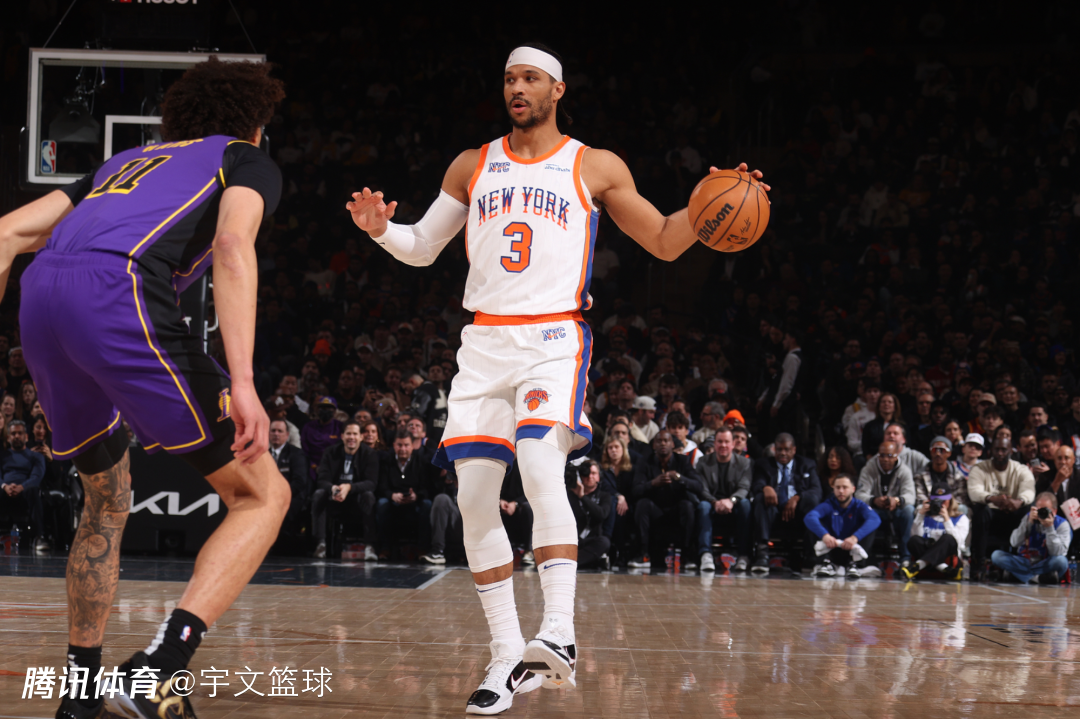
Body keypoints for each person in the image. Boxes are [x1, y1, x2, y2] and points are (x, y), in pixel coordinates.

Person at [347, 41, 766, 713]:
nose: (517, 88)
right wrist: (381, 230)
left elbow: (663, 238)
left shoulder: (593, 164)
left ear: (557, 90)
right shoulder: (472, 163)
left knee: (541, 465)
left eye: (531, 78)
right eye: (510, 78)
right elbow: (422, 247)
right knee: (475, 500)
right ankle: (507, 655)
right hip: (484, 342)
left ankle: (560, 633)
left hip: (552, 338)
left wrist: (712, 206)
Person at [0, 57, 290, 719]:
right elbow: (233, 245)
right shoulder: (245, 158)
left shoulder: (121, 164)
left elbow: (8, 233)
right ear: (255, 122)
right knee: (263, 495)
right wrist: (244, 381)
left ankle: (80, 697)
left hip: (41, 297)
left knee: (106, 498)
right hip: (117, 292)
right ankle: (158, 668)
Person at [627, 430, 703, 568]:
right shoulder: (645, 462)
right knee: (642, 504)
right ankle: (643, 555)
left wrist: (679, 477)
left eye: (666, 441)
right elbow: (635, 490)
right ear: (653, 445)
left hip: (676, 510)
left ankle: (687, 557)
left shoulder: (683, 461)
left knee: (687, 506)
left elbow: (698, 486)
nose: (663, 444)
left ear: (672, 444)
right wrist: (653, 483)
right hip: (655, 510)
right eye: (659, 441)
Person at [750, 433, 822, 574]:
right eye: (779, 449)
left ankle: (811, 556)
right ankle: (762, 554)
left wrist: (797, 498)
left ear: (794, 450)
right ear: (774, 450)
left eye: (786, 449)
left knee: (812, 503)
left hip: (797, 511)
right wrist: (765, 487)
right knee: (760, 499)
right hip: (774, 509)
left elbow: (816, 491)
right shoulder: (764, 464)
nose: (783, 453)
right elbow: (756, 483)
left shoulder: (807, 464)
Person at [967, 436, 1036, 576]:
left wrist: (1019, 501)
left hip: (1012, 514)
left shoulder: (1021, 469)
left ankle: (1020, 561)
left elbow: (1029, 490)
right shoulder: (979, 468)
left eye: (1003, 450)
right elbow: (974, 491)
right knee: (980, 509)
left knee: (1028, 508)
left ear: (1011, 451)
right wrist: (992, 498)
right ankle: (979, 563)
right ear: (990, 451)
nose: (1000, 453)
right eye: (996, 449)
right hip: (990, 515)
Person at [312, 420, 379, 560]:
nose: (351, 437)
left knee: (368, 496)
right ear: (342, 436)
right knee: (319, 494)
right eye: (348, 434)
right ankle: (320, 544)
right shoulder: (330, 452)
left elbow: (371, 483)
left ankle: (369, 546)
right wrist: (333, 488)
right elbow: (322, 480)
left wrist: (349, 487)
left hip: (357, 499)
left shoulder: (370, 454)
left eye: (355, 434)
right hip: (335, 498)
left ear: (361, 437)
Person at [696, 427, 752, 572]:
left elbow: (744, 488)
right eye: (720, 442)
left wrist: (731, 501)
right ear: (714, 444)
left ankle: (743, 555)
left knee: (745, 504)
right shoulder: (703, 462)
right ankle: (706, 555)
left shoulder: (744, 463)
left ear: (733, 444)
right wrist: (715, 502)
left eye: (727, 442)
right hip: (712, 504)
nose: (723, 445)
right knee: (703, 506)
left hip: (734, 506)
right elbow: (702, 488)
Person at [804, 474, 881, 577]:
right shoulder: (828, 505)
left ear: (853, 489)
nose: (841, 491)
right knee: (814, 523)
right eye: (838, 487)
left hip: (852, 549)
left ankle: (855, 564)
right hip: (831, 548)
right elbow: (809, 517)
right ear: (833, 489)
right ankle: (825, 562)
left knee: (869, 525)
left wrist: (855, 538)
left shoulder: (859, 506)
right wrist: (825, 535)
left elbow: (875, 519)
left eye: (845, 487)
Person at [856, 440, 916, 565]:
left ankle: (905, 558)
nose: (885, 459)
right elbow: (859, 495)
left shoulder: (904, 470)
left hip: (896, 511)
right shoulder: (869, 468)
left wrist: (897, 500)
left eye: (889, 455)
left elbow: (910, 496)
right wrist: (874, 500)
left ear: (896, 456)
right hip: (876, 511)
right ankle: (862, 559)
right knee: (864, 511)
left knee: (909, 511)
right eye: (882, 455)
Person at [990, 492, 1072, 584]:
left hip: (1046, 562)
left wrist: (1050, 528)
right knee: (996, 555)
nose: (1041, 513)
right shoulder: (1029, 517)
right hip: (1025, 561)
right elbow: (1014, 543)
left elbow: (1056, 553)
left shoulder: (1062, 524)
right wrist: (1028, 523)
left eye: (1045, 510)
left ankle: (1018, 575)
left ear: (1054, 511)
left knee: (1061, 561)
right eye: (1038, 509)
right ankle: (1037, 578)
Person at [376, 429, 434, 556]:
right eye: (399, 445)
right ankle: (385, 549)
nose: (403, 449)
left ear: (412, 446)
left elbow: (426, 487)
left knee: (427, 504)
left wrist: (416, 496)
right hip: (393, 501)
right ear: (394, 445)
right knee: (382, 504)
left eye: (406, 445)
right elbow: (381, 487)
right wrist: (392, 495)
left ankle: (423, 549)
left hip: (415, 502)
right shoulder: (386, 461)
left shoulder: (421, 461)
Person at [901, 480, 969, 581]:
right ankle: (946, 570)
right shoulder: (925, 515)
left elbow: (958, 543)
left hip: (948, 558)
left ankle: (917, 566)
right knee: (913, 540)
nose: (941, 504)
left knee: (948, 538)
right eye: (937, 501)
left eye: (943, 501)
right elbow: (915, 535)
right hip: (928, 553)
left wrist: (947, 519)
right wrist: (920, 515)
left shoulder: (960, 518)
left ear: (950, 500)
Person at [0, 420, 46, 549]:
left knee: (34, 490)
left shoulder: (36, 457)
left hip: (26, 492)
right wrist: (5, 486)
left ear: (26, 436)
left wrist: (22, 487)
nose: (16, 436)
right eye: (13, 433)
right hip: (5, 491)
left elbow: (36, 477)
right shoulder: (2, 456)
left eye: (20, 433)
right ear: (8, 437)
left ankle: (39, 537)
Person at [269, 418, 309, 539]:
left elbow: (299, 482)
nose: (276, 434)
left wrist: (280, 495)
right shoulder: (262, 454)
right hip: (267, 497)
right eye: (273, 431)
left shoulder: (296, 454)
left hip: (290, 497)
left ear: (287, 435)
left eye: (280, 431)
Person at [568, 461, 611, 569]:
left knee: (604, 542)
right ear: (580, 476)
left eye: (593, 473)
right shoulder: (569, 495)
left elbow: (602, 514)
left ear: (599, 476)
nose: (590, 476)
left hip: (591, 541)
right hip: (572, 539)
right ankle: (590, 561)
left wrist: (582, 497)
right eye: (586, 473)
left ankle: (569, 562)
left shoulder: (604, 496)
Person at [301, 396, 344, 480]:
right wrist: (314, 466)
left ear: (335, 411)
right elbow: (304, 452)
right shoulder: (308, 427)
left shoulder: (340, 427)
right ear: (317, 410)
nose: (325, 410)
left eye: (329, 408)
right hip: (312, 468)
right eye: (322, 408)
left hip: (335, 468)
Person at [861, 392, 901, 458]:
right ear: (878, 406)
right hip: (874, 459)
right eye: (883, 402)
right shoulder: (869, 426)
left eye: (890, 402)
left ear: (895, 407)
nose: (886, 404)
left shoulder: (901, 426)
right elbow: (865, 447)